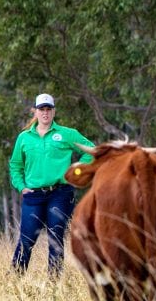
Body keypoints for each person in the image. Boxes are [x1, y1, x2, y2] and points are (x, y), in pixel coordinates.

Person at [9, 92, 95, 276]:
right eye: (42, 109)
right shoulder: (24, 137)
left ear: (54, 111)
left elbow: (92, 150)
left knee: (55, 236)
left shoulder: (66, 134)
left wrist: (76, 170)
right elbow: (15, 165)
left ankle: (54, 281)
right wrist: (21, 186)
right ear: (36, 112)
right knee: (27, 237)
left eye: (49, 109)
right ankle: (15, 278)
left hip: (60, 193)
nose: (45, 113)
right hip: (33, 194)